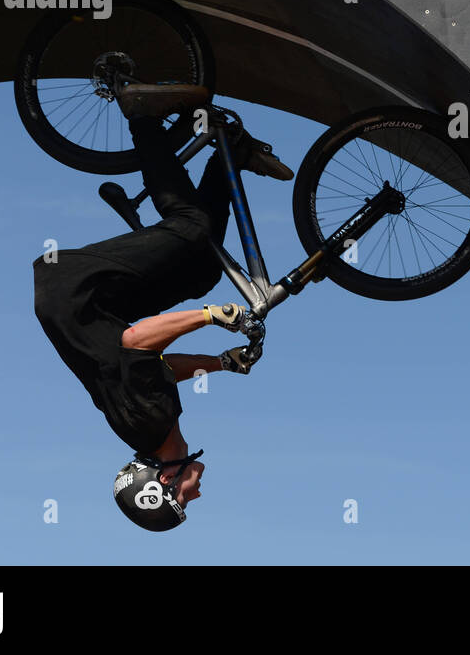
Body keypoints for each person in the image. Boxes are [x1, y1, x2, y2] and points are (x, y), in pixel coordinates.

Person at [32, 84, 292, 530]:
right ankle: (229, 152)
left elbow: (137, 341)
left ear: (164, 480)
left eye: (185, 500)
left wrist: (211, 316)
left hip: (78, 287)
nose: (198, 494)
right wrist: (221, 364)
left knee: (190, 230)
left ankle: (142, 118)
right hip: (91, 300)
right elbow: (161, 366)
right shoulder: (152, 425)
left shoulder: (150, 425)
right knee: (203, 269)